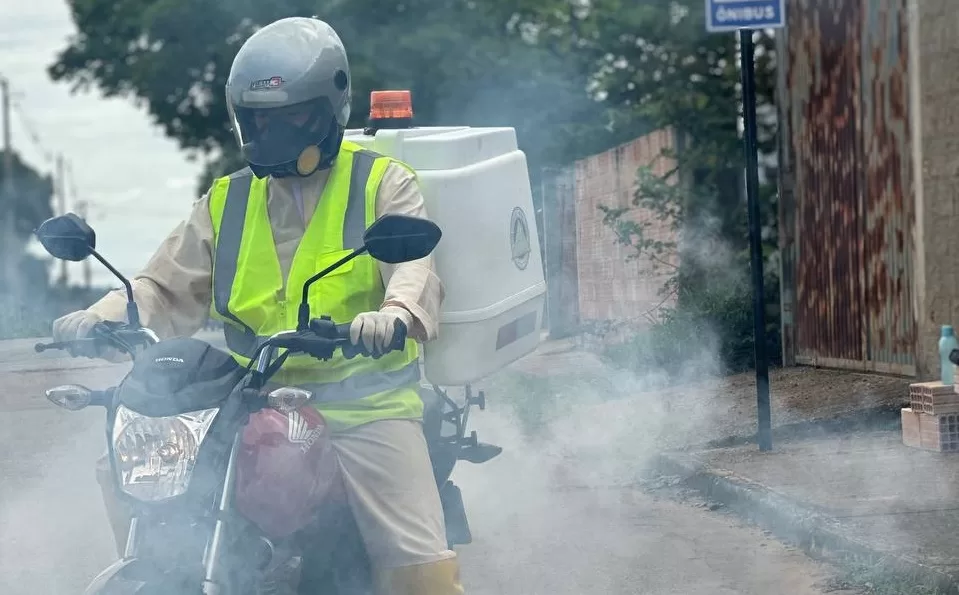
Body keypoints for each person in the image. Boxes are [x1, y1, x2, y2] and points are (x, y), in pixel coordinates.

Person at [51, 16, 463, 595]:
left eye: (287, 114)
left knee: (414, 552)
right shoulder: (228, 199)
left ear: (327, 108)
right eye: (256, 117)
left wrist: (393, 317)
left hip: (362, 407)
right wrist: (102, 316)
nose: (268, 130)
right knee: (129, 468)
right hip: (249, 405)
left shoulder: (381, 182)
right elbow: (162, 287)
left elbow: (414, 269)